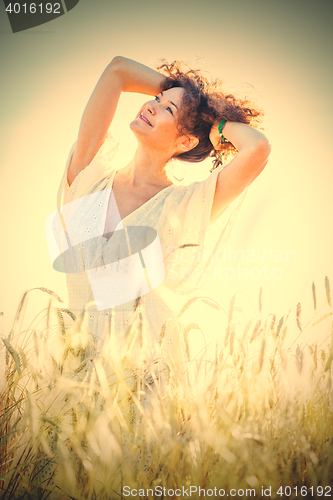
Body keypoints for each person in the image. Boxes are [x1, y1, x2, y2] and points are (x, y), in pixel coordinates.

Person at [55, 56, 271, 380]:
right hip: (73, 370)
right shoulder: (88, 176)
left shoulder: (180, 206)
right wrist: (178, 90)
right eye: (156, 100)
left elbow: (257, 149)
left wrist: (216, 123)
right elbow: (118, 71)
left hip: (142, 374)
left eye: (168, 110)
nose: (152, 106)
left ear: (185, 142)